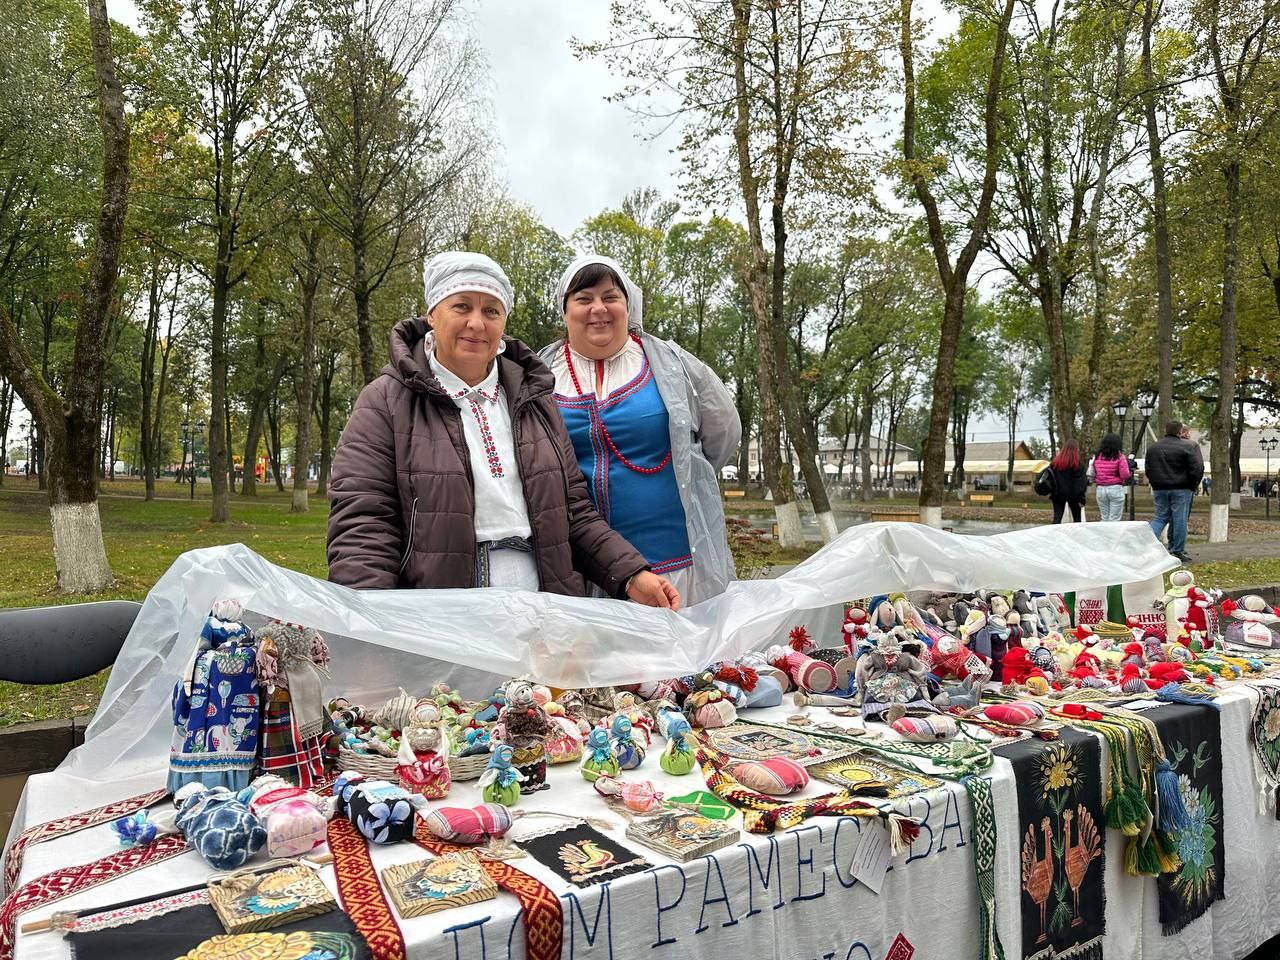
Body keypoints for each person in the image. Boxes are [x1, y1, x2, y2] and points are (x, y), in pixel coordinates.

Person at [327, 251, 680, 609]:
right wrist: (371, 621)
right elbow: (364, 524)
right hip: (443, 616)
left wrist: (631, 575)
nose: (477, 324)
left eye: (491, 311)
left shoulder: (535, 401)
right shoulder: (386, 401)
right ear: (432, 314)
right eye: (462, 306)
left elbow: (574, 513)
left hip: (545, 608)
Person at [538, 254, 741, 606]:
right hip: (583, 575)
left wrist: (688, 473)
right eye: (584, 299)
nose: (598, 309)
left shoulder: (675, 365)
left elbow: (723, 431)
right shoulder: (538, 374)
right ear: (564, 309)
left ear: (628, 305)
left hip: (677, 567)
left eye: (610, 297)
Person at [1144, 420, 1204, 562]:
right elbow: (1197, 468)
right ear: (1180, 431)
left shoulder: (1153, 448)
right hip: (1182, 488)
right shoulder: (1189, 446)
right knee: (1180, 519)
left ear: (1166, 430)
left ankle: (1146, 546)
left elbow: (1148, 468)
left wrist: (1155, 482)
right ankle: (1177, 550)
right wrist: (1193, 484)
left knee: (1160, 517)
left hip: (1160, 488)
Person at [1089, 432, 1131, 521]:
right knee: (1114, 519)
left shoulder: (1097, 456)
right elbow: (1125, 474)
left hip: (1100, 489)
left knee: (1104, 518)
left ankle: (1103, 530)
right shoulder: (1119, 456)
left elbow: (1093, 472)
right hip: (1115, 488)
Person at [1048, 438, 1088, 523]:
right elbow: (1080, 483)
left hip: (1057, 494)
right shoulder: (1077, 464)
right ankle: (1076, 532)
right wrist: (1081, 498)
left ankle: (1054, 531)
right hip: (1074, 496)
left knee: (1057, 518)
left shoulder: (1055, 463)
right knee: (1077, 519)